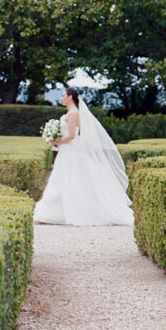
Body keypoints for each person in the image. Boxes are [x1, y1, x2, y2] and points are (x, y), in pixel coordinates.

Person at [33, 87, 134, 226]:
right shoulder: (71, 112)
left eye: (63, 95)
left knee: (66, 179)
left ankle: (54, 213)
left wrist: (57, 141)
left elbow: (72, 136)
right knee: (61, 179)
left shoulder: (73, 113)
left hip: (71, 150)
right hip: (67, 151)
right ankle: (53, 212)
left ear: (70, 97)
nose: (61, 98)